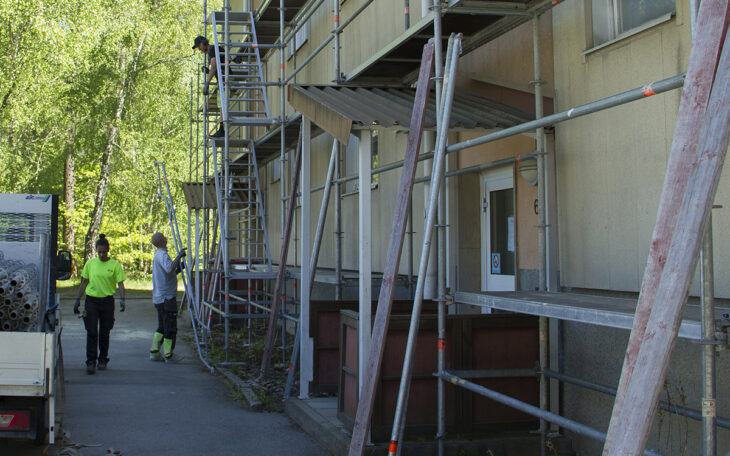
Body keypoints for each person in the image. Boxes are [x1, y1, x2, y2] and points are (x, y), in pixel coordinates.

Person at [73, 234, 126, 374]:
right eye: (99, 252)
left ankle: (103, 359)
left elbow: (120, 283)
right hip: (92, 301)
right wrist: (78, 299)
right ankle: (91, 361)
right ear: (96, 251)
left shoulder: (114, 265)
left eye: (104, 252)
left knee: (104, 331)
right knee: (91, 332)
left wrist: (122, 299)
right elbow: (84, 282)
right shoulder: (90, 264)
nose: (102, 254)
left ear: (108, 250)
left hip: (107, 301)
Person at [149, 232, 186, 363]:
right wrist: (179, 257)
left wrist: (179, 268)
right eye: (164, 237)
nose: (166, 238)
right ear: (162, 241)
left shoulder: (158, 255)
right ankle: (168, 354)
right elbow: (169, 269)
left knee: (162, 327)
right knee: (170, 327)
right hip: (166, 298)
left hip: (159, 298)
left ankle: (154, 352)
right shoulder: (162, 255)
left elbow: (168, 274)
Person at [193, 35, 227, 138]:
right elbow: (216, 66)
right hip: (224, 79)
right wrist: (209, 72)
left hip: (225, 80)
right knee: (221, 104)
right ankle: (222, 129)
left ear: (203, 43)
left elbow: (214, 65)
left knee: (221, 104)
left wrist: (207, 83)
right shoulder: (212, 50)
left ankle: (222, 130)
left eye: (198, 46)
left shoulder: (212, 49)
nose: (199, 49)